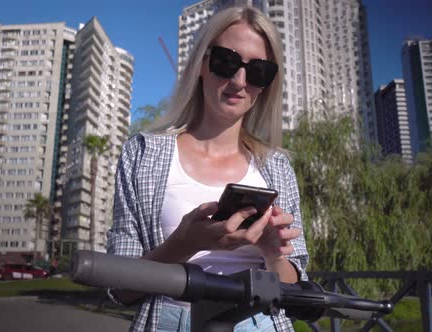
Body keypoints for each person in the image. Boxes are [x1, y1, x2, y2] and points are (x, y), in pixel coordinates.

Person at [107, 6, 308, 332]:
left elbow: (296, 289)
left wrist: (274, 256)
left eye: (258, 72)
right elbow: (119, 287)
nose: (239, 81)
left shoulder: (277, 166)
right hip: (169, 319)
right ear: (201, 63)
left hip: (261, 323)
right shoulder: (143, 153)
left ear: (266, 85)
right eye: (226, 62)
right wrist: (184, 244)